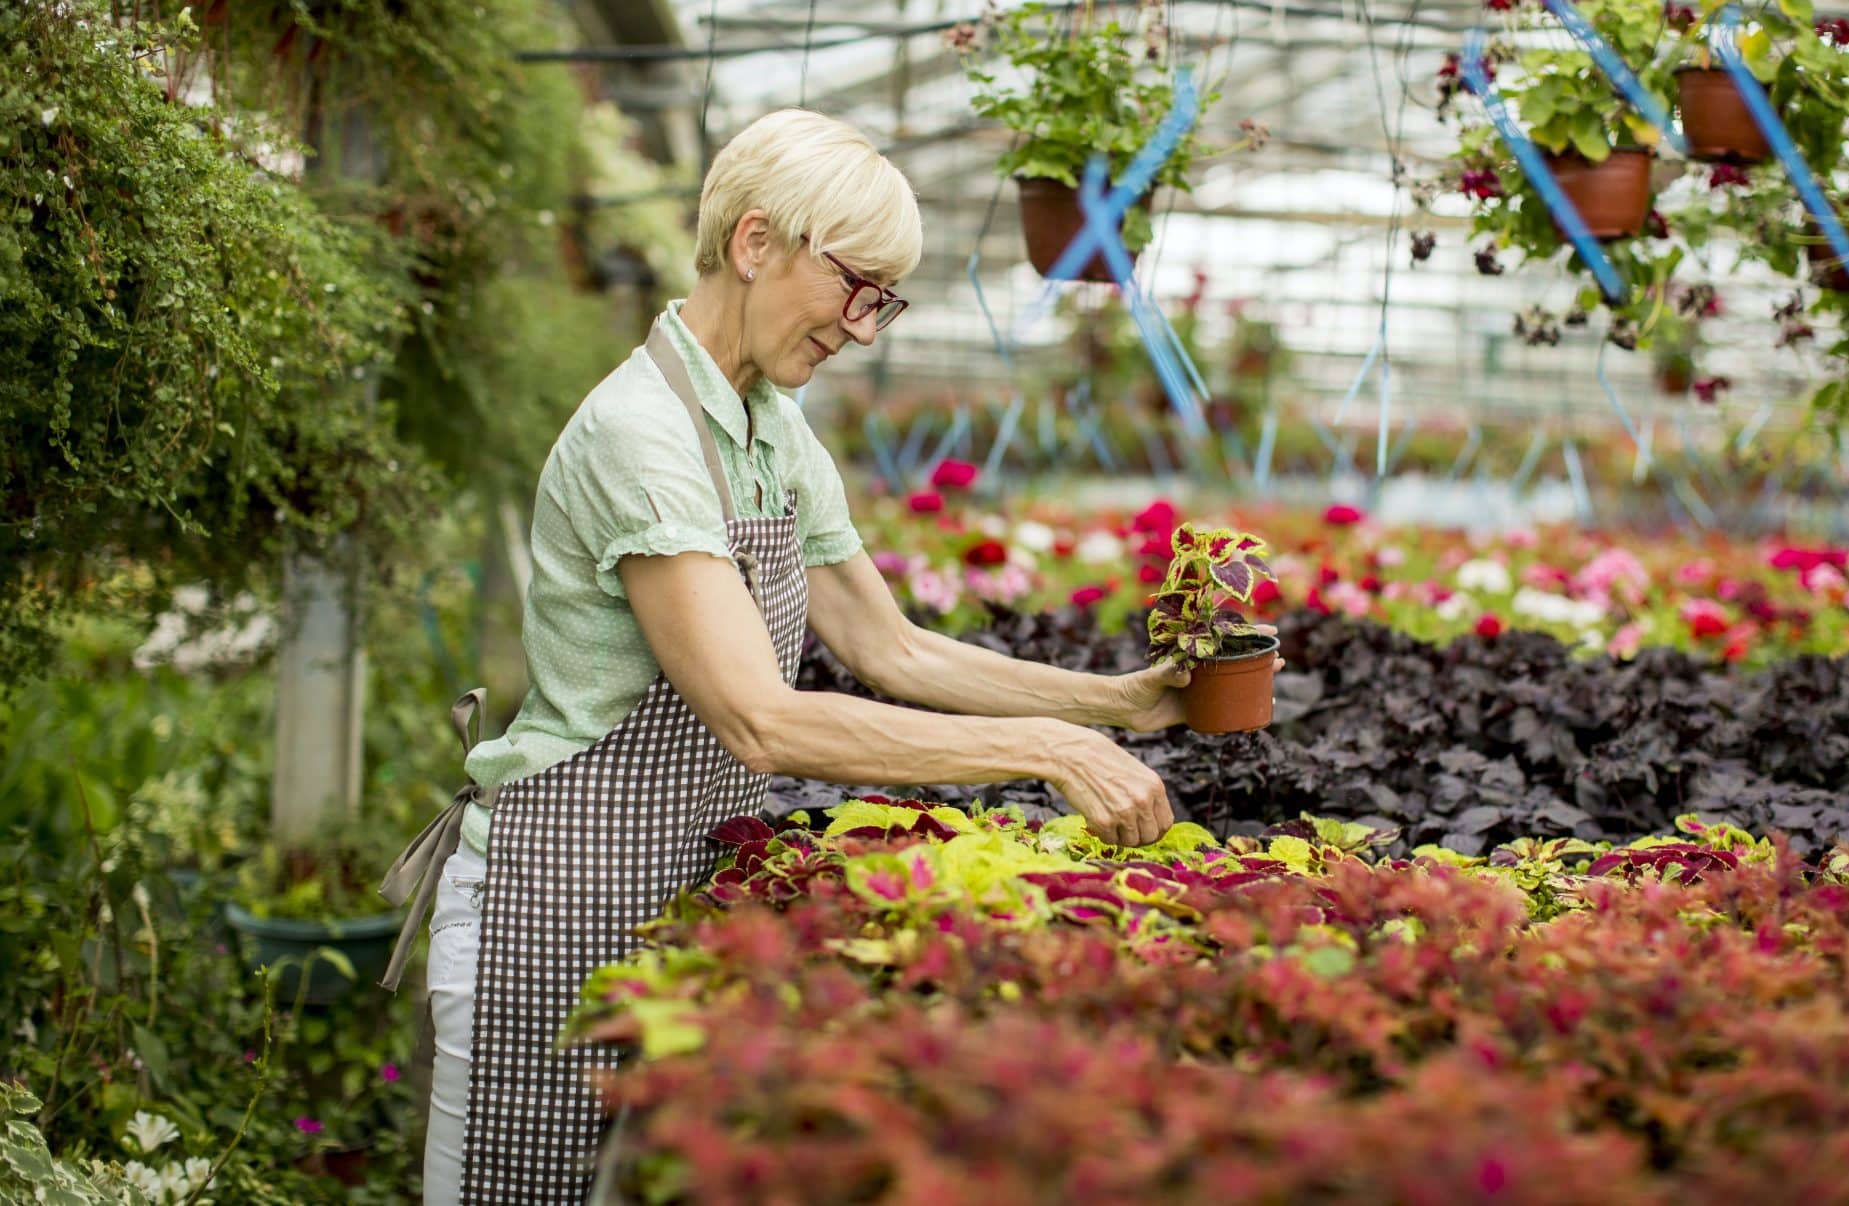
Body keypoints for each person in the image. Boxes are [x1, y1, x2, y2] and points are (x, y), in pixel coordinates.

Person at [378, 108, 1262, 1205]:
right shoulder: (642, 436)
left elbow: (884, 643)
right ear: (757, 244)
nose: (861, 328)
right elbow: (763, 719)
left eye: (883, 302)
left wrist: (1120, 705)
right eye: (858, 288)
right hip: (552, 907)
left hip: (674, 898)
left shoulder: (769, 427)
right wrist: (1040, 748)